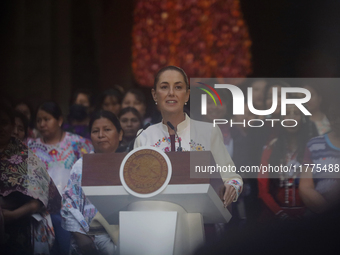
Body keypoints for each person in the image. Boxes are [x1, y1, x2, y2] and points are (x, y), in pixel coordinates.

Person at [134, 66, 243, 206]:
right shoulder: (144, 136)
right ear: (155, 95)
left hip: (197, 218)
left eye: (178, 87)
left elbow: (233, 178)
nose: (171, 93)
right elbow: (134, 183)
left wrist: (232, 187)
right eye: (164, 87)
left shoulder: (208, 132)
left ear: (187, 95)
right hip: (155, 215)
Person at [28, 101, 93, 255]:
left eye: (47, 119)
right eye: (39, 120)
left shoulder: (79, 144)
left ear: (60, 120)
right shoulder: (31, 147)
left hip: (73, 211)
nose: (42, 124)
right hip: (42, 212)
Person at [0, 103, 61, 255]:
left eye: (4, 123)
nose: (0, 127)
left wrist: (12, 216)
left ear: (13, 126)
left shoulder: (27, 158)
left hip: (17, 230)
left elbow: (39, 200)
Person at [61, 110, 122, 255]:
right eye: (96, 131)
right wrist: (81, 236)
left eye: (107, 129)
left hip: (121, 240)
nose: (101, 135)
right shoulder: (81, 166)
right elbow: (68, 204)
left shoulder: (129, 166)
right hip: (86, 240)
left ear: (120, 134)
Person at [258, 104, 317, 220]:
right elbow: (263, 189)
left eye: (296, 113)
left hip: (308, 217)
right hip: (276, 216)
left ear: (303, 118)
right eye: (287, 114)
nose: (291, 118)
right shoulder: (271, 148)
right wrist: (280, 214)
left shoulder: (313, 148)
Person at [299, 97, 340, 215]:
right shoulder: (314, 145)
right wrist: (328, 213)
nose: (337, 121)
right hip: (322, 218)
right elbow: (305, 187)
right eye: (333, 117)